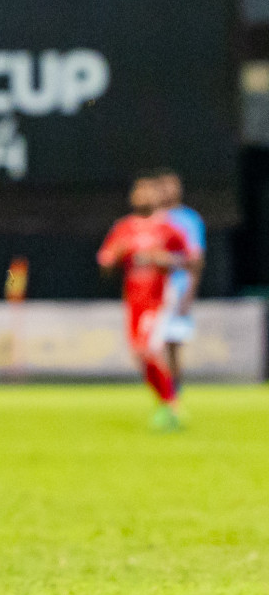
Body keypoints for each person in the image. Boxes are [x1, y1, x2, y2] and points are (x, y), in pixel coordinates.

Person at [97, 174, 200, 431]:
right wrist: (116, 256)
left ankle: (172, 403)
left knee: (147, 349)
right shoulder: (125, 227)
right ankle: (167, 404)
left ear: (156, 198)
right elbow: (105, 262)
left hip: (159, 298)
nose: (142, 196)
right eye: (138, 191)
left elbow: (191, 260)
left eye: (147, 192)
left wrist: (165, 260)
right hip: (134, 300)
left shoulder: (168, 228)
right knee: (139, 354)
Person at [151, 169, 205, 388]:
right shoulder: (153, 219)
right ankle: (164, 392)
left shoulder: (188, 219)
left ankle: (174, 393)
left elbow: (195, 260)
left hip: (177, 288)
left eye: (172, 186)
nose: (168, 191)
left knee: (172, 343)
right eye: (163, 187)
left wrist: (189, 293)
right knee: (152, 345)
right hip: (151, 290)